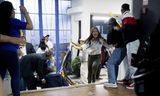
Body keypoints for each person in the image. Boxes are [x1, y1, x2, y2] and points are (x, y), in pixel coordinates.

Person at [0, 1, 33, 96]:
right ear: (10, 12)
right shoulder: (14, 22)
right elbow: (30, 26)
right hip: (11, 53)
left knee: (0, 77)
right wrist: (25, 12)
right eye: (13, 10)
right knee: (15, 77)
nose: (14, 12)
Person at [104, 17, 127, 88]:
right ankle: (114, 81)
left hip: (119, 49)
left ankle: (112, 82)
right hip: (124, 49)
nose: (107, 26)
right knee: (114, 64)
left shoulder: (112, 31)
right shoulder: (119, 29)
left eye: (108, 24)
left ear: (110, 24)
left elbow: (109, 42)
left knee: (110, 63)